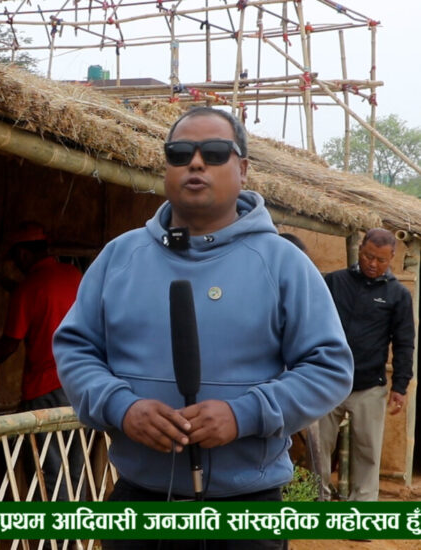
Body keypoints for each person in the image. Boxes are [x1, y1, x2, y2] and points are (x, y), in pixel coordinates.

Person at [53, 106, 354, 550]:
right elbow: (76, 348)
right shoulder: (120, 257)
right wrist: (122, 407)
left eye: (214, 153)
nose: (195, 163)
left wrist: (244, 414)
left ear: (243, 169)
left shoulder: (282, 263)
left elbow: (329, 368)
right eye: (180, 153)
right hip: (139, 503)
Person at [0, 221, 83, 501]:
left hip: (45, 389)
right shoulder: (74, 275)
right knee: (76, 466)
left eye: (15, 260)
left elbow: (10, 343)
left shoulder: (28, 288)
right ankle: (79, 526)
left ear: (23, 254)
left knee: (48, 469)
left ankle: (54, 529)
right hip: (82, 384)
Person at [317, 228, 415, 502]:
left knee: (368, 454)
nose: (372, 264)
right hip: (328, 381)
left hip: (369, 387)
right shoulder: (335, 282)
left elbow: (404, 343)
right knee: (318, 448)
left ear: (392, 258)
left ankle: (362, 511)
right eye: (368, 256)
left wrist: (400, 386)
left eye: (380, 260)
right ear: (360, 250)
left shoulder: (397, 294)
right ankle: (317, 502)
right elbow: (312, 323)